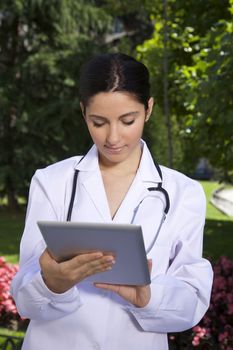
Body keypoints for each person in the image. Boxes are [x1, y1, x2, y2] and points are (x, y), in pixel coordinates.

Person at [11, 53, 213, 350]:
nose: (113, 137)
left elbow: (192, 299)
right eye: (99, 122)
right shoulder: (51, 181)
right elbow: (25, 300)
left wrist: (148, 297)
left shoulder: (184, 192)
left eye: (128, 120)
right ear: (83, 112)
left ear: (149, 109)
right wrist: (51, 284)